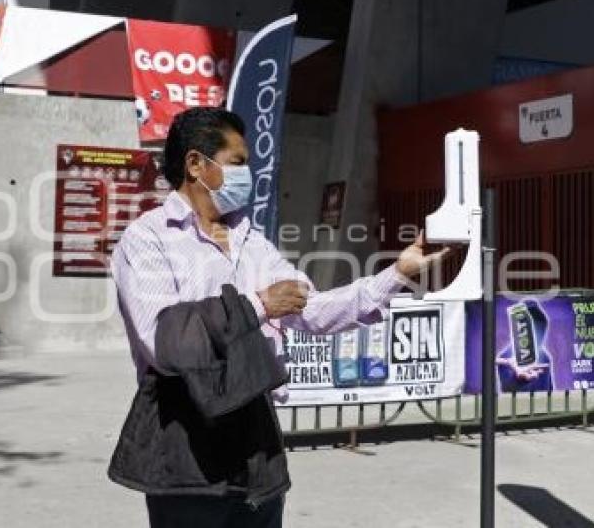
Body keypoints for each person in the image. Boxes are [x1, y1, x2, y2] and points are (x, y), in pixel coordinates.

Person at [108, 107, 450, 528]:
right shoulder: (147, 239)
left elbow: (315, 309)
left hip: (256, 441)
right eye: (237, 163)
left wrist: (396, 275)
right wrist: (258, 305)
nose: (246, 174)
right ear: (196, 164)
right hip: (186, 443)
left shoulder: (252, 243)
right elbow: (165, 341)